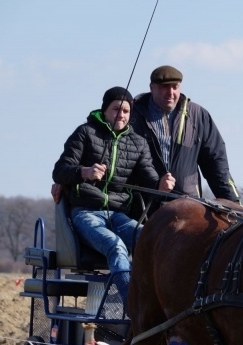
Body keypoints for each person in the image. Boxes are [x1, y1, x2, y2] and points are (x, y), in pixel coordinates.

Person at [52, 86, 173, 306]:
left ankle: (159, 302)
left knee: (152, 238)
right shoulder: (85, 133)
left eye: (126, 111)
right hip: (85, 212)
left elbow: (149, 179)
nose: (122, 115)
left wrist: (162, 185)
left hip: (118, 214)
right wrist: (84, 172)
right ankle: (134, 309)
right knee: (115, 245)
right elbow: (60, 170)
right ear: (105, 110)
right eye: (116, 109)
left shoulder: (138, 142)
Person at [131, 65, 241, 205]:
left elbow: (216, 166)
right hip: (141, 206)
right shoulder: (131, 114)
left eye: (175, 87)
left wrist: (235, 205)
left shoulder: (198, 116)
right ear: (152, 87)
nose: (170, 92)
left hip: (188, 207)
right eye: (164, 87)